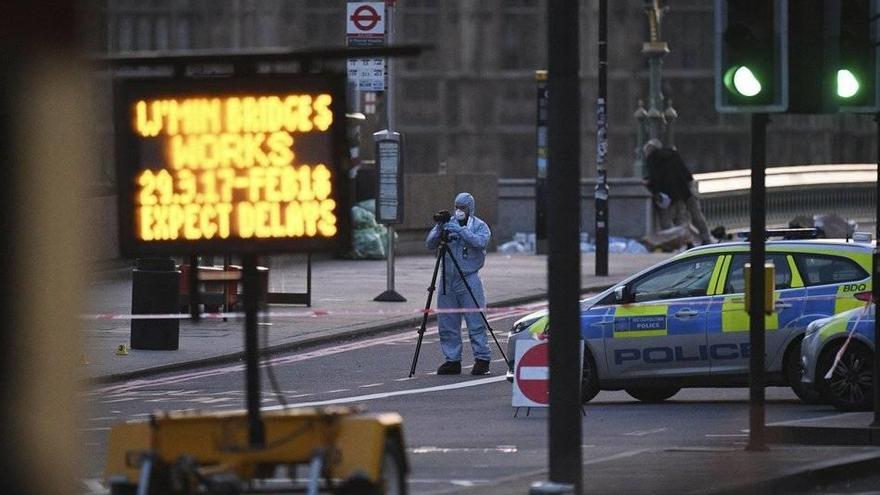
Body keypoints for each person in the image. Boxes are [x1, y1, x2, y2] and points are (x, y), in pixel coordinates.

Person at [425, 192, 492, 375]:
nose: (459, 210)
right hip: (448, 279)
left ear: (470, 208)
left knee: (475, 321)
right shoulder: (447, 224)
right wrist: (440, 228)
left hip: (469, 278)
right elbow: (430, 244)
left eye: (462, 207)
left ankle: (482, 358)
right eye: (457, 206)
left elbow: (480, 243)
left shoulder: (479, 226)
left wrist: (460, 230)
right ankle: (452, 360)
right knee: (447, 323)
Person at [643, 138, 713, 245]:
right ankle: (706, 238)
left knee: (668, 223)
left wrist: (652, 187)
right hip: (686, 191)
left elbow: (655, 179)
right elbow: (686, 173)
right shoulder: (673, 155)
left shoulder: (652, 159)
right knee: (695, 217)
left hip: (669, 196)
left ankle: (682, 242)